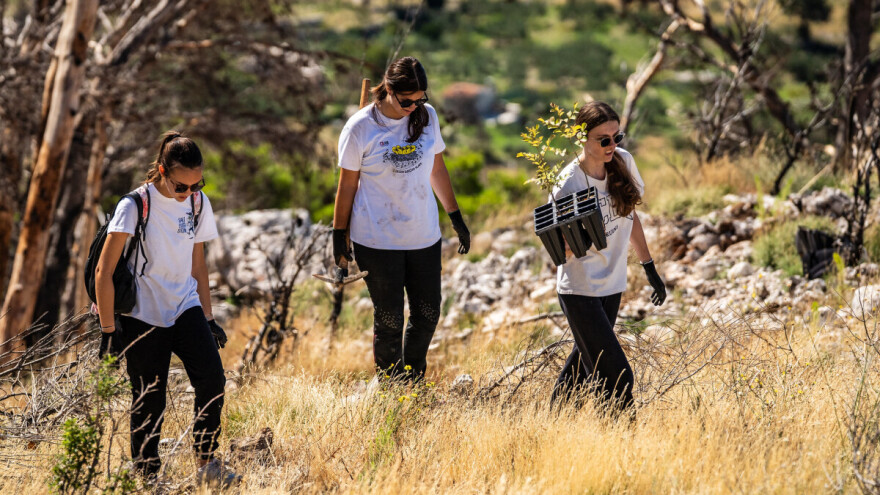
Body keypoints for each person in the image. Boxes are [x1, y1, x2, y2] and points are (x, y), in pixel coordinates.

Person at [95, 131, 238, 486]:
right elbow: (103, 271)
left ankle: (206, 464)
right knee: (150, 398)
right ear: (162, 171)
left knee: (213, 380)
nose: (188, 192)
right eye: (180, 186)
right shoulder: (134, 206)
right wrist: (109, 331)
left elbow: (198, 265)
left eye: (196, 184)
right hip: (142, 314)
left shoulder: (197, 203)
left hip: (185, 305)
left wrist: (208, 317)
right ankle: (147, 478)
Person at [333, 56, 471, 382]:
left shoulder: (427, 116)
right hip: (376, 240)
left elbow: (437, 168)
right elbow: (347, 185)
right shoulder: (359, 128)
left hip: (423, 236)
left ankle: (413, 380)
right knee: (390, 321)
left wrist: (455, 216)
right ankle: (391, 389)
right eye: (407, 100)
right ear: (389, 89)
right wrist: (339, 236)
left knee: (428, 315)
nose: (413, 107)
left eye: (420, 99)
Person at [550, 101, 666, 410]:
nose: (612, 145)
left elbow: (630, 216)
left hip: (612, 285)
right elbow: (560, 253)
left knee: (580, 369)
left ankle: (554, 424)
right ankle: (622, 431)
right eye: (604, 140)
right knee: (616, 374)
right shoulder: (567, 184)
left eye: (617, 137)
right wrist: (584, 234)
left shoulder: (623, 162)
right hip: (580, 290)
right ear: (582, 138)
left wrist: (649, 266)